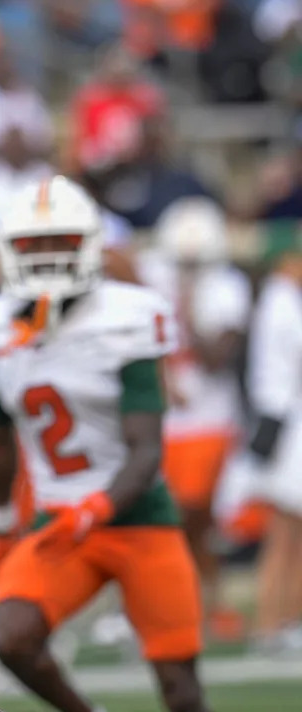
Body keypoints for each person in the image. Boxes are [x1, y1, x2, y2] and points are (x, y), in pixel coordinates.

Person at [0, 176, 210, 712]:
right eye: (34, 243)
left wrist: (101, 505)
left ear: (90, 245)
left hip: (139, 518)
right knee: (10, 634)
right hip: (61, 520)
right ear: (8, 249)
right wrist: (1, 519)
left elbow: (146, 448)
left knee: (181, 688)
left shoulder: (127, 317)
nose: (47, 255)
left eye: (61, 241)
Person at [139, 198, 251, 639]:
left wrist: (187, 310)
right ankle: (183, 605)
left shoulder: (227, 286)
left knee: (199, 517)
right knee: (169, 521)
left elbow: (217, 358)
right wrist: (164, 381)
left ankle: (210, 600)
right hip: (168, 422)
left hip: (211, 421)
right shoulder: (153, 277)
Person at [247, 249, 302, 652]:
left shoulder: (282, 300)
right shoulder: (280, 302)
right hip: (285, 427)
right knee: (284, 533)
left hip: (286, 423)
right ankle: (270, 623)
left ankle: (287, 619)